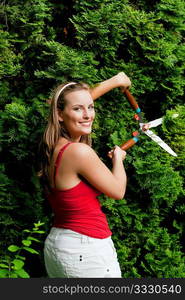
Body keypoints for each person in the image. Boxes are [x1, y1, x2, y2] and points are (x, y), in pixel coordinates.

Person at [39, 72, 131, 278]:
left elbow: (71, 101)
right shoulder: (79, 152)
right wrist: (118, 160)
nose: (88, 115)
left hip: (60, 245)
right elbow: (118, 191)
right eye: (78, 109)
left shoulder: (54, 146)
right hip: (86, 249)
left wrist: (115, 81)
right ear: (60, 114)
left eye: (91, 107)